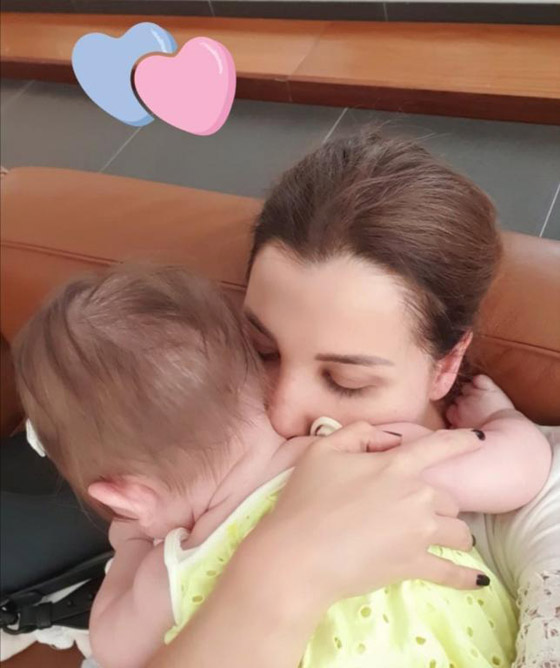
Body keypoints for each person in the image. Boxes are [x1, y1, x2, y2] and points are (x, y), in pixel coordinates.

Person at [13, 262, 548, 667]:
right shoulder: (358, 453)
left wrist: (131, 545)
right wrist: (502, 419)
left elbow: (112, 645)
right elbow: (520, 473)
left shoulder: (165, 574)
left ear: (124, 497)